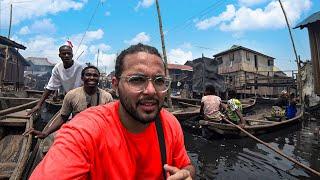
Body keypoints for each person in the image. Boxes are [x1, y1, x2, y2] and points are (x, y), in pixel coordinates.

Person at [30, 43, 195, 179]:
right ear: (115, 85)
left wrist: (186, 173)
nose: (151, 90)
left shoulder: (170, 123)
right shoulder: (83, 130)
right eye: (137, 80)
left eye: (159, 81)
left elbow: (185, 165)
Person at [23, 65, 113, 139]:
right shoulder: (72, 95)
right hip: (77, 134)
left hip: (99, 135)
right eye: (88, 75)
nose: (92, 77)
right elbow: (63, 117)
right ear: (82, 78)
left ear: (98, 78)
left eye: (95, 75)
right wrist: (45, 133)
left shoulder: (106, 97)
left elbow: (110, 122)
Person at [27, 45, 83, 115]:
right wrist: (39, 105)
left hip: (82, 97)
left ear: (72, 55)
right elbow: (50, 87)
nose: (66, 55)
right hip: (70, 98)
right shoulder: (57, 68)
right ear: (60, 55)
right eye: (64, 53)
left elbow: (82, 87)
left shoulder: (80, 67)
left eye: (69, 53)